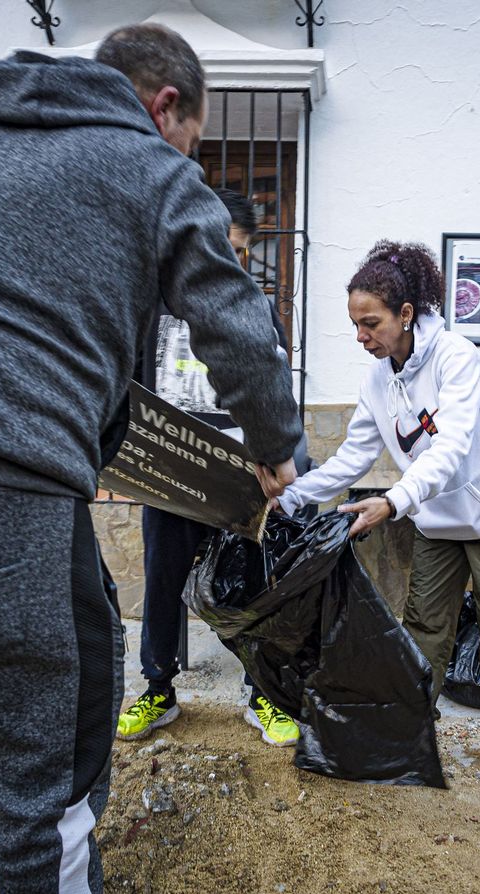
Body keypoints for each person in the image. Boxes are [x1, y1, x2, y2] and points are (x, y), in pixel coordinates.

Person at [0, 24, 302, 894]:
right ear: (165, 106)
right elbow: (237, 325)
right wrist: (274, 453)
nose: (189, 153)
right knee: (47, 738)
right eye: (192, 137)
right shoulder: (148, 166)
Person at [273, 240, 480, 788]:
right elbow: (353, 456)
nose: (361, 337)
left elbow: (451, 446)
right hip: (438, 520)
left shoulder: (457, 359)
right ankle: (414, 718)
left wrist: (394, 501)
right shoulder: (377, 379)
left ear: (407, 314)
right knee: (424, 627)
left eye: (371, 323)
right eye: (356, 325)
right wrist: (292, 495)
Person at [116, 187, 302, 748]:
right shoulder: (151, 304)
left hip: (239, 476)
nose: (234, 263)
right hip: (170, 472)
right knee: (163, 581)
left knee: (250, 585)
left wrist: (271, 455)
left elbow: (273, 383)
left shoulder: (254, 307)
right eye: (229, 248)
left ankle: (262, 694)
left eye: (244, 253)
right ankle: (158, 689)